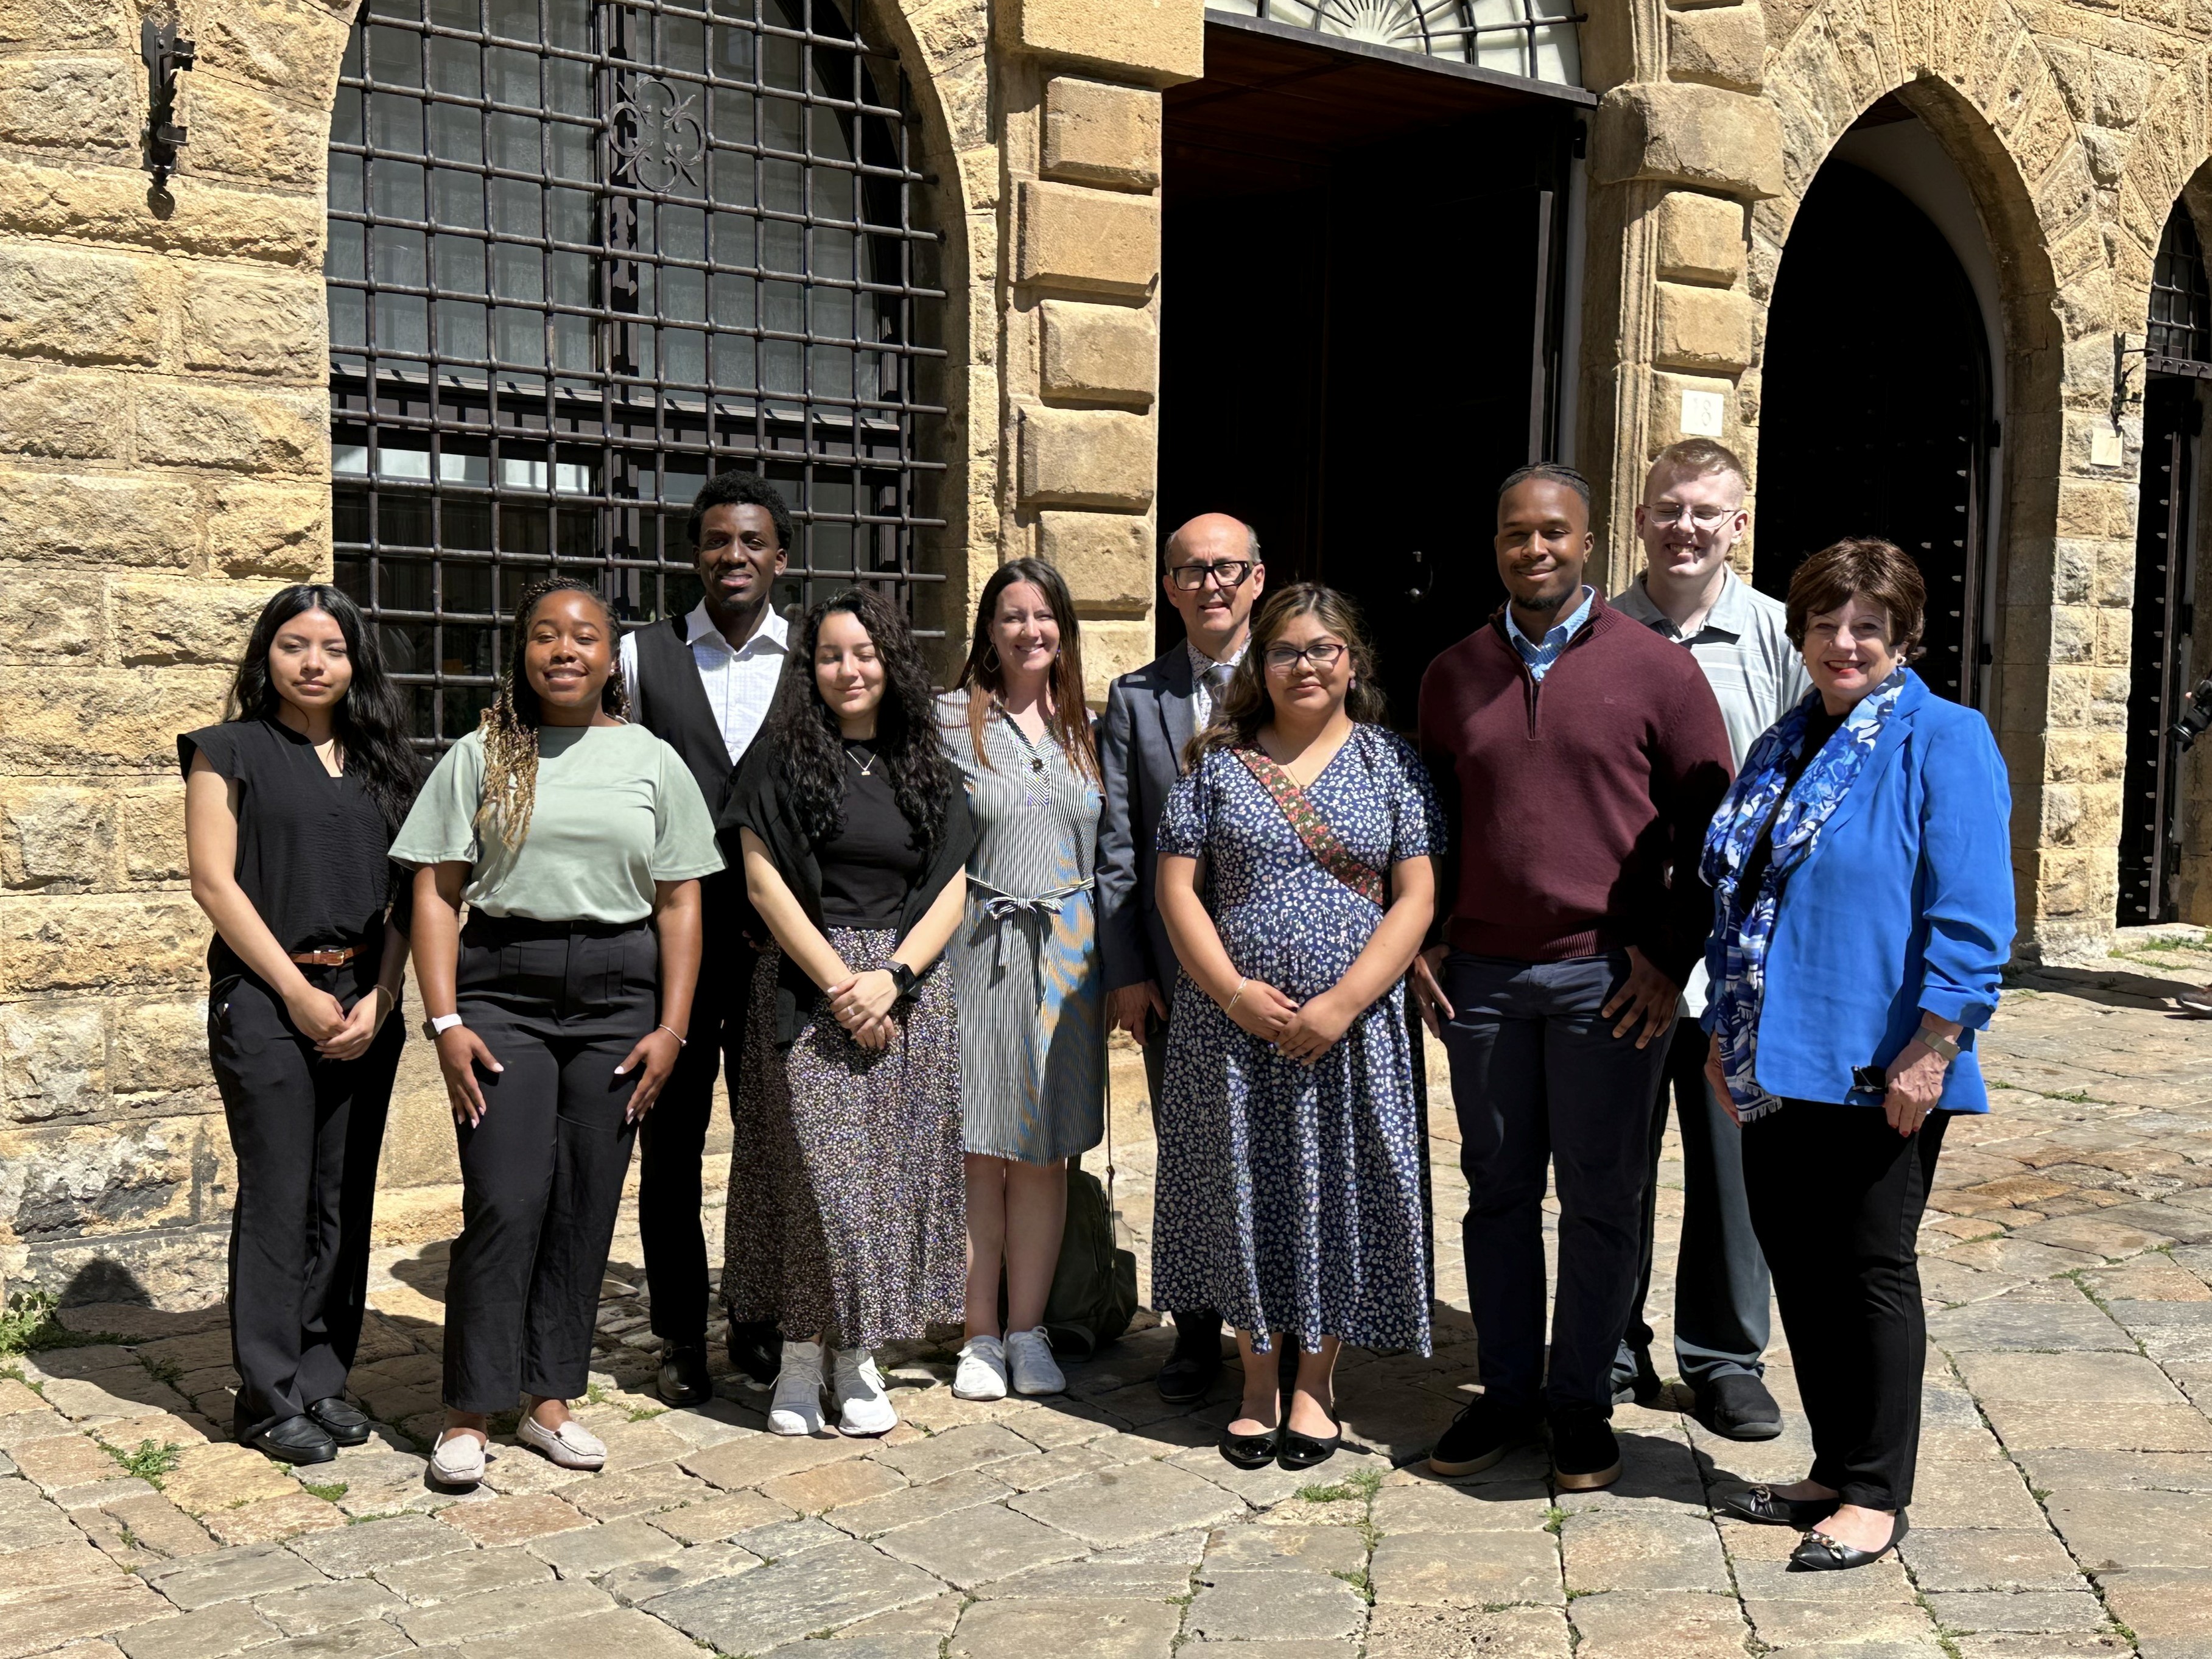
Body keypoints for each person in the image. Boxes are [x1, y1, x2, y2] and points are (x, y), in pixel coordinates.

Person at [1415, 463, 1733, 1492]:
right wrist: (1421, 938)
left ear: (1590, 542)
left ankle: (1580, 1402)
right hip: (1488, 982)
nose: (1534, 549)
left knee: (1603, 1199)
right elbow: (1428, 827)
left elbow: (1711, 832)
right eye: (1515, 533)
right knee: (1496, 1193)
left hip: (1608, 981)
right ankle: (1506, 1394)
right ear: (1497, 545)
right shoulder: (1453, 672)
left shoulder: (1656, 670)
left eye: (1553, 531)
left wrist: (1672, 956)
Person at [1703, 538, 2012, 1570]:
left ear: (1902, 637)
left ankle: (1877, 1494)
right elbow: (1739, 899)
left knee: (1870, 1269)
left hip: (1880, 1059)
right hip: (1768, 1055)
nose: (1844, 642)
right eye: (1826, 623)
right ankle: (1835, 1464)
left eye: (1867, 626)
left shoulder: (1945, 737)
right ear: (1799, 633)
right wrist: (1722, 1033)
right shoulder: (1782, 746)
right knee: (1799, 1260)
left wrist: (1934, 1043)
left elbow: (1971, 912)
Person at [393, 577, 720, 1488]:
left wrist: (673, 1026)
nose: (564, 649)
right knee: (503, 1197)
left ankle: (546, 1398)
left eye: (583, 636)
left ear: (611, 658)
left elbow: (681, 899)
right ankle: (466, 1409)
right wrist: (446, 1017)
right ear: (523, 650)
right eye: (545, 634)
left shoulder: (653, 760)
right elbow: (435, 890)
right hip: (504, 991)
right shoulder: (483, 755)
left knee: (585, 1199)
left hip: (620, 998)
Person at [1151, 584, 1441, 1473]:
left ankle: (1315, 1382)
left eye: (1323, 649)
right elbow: (1173, 890)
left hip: (1351, 1030)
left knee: (1334, 1190)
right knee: (1243, 1190)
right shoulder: (1217, 764)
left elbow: (1417, 894)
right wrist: (1234, 992)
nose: (1305, 665)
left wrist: (1346, 1000)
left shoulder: (1391, 761)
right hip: (1232, 1029)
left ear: (1351, 660)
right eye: (1285, 651)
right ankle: (1253, 1381)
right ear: (1258, 665)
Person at [720, 587, 976, 1437]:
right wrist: (843, 983)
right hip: (807, 987)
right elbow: (763, 883)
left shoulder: (924, 762)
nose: (848, 669)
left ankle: (854, 1355)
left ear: (890, 661)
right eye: (830, 655)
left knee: (881, 1186)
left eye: (863, 653)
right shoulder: (780, 757)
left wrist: (893, 976)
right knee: (814, 1182)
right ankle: (798, 1354)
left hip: (905, 994)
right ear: (810, 667)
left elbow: (950, 886)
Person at [182, 585, 421, 1465]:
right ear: (265, 656)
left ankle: (324, 1377)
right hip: (266, 997)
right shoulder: (228, 751)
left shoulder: (389, 765)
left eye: (331, 646)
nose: (313, 662)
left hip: (367, 1000)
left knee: (342, 1195)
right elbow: (215, 883)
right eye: (294, 644)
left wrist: (386, 996)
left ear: (357, 662)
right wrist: (294, 992)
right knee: (280, 1194)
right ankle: (267, 1391)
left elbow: (413, 894)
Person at [1607, 438, 1810, 1438]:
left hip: (1737, 957)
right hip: (1626, 949)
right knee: (1613, 1156)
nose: (1683, 526)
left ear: (1739, 523)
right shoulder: (1596, 635)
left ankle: (1725, 1355)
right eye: (1666, 507)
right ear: (1637, 517)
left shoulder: (1778, 637)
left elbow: (1796, 794)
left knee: (1734, 1159)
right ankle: (1607, 1340)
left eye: (1705, 511)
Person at [618, 470, 794, 1404]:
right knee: (672, 1142)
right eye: (717, 541)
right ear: (695, 555)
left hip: (779, 949)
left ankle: (757, 1317)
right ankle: (681, 1330)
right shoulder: (641, 656)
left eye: (751, 541)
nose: (734, 556)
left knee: (770, 1143)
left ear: (780, 556)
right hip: (671, 946)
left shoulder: (813, 661)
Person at [1098, 511, 1268, 1403]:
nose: (1210, 583)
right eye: (1191, 569)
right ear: (1168, 586)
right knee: (1193, 1154)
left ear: (1256, 580)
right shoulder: (1137, 698)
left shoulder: (1292, 679)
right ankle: (1198, 1332)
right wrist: (1127, 969)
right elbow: (1119, 845)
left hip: (1280, 968)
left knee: (1276, 1147)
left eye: (1226, 568)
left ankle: (1274, 1326)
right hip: (1175, 979)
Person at [938, 559, 1104, 1402]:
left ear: (1063, 630)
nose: (1028, 630)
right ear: (987, 631)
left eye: (1044, 616)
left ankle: (1029, 1329)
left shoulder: (1091, 729)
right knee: (978, 1150)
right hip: (976, 946)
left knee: (1043, 1152)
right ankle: (976, 1331)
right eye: (1011, 616)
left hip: (1070, 952)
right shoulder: (948, 721)